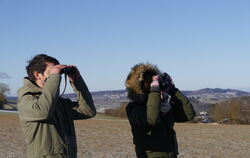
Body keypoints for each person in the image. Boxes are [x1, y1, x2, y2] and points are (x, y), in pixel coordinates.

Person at [17, 54, 96, 158]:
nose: (57, 76)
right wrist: (54, 76)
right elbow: (43, 111)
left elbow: (88, 111)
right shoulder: (26, 100)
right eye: (52, 72)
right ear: (37, 75)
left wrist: (77, 80)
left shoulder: (57, 102)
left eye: (58, 73)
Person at [125, 63, 196, 158]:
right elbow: (151, 118)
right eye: (150, 82)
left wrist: (173, 90)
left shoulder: (162, 104)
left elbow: (189, 114)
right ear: (141, 86)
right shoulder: (133, 108)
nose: (155, 84)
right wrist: (155, 91)